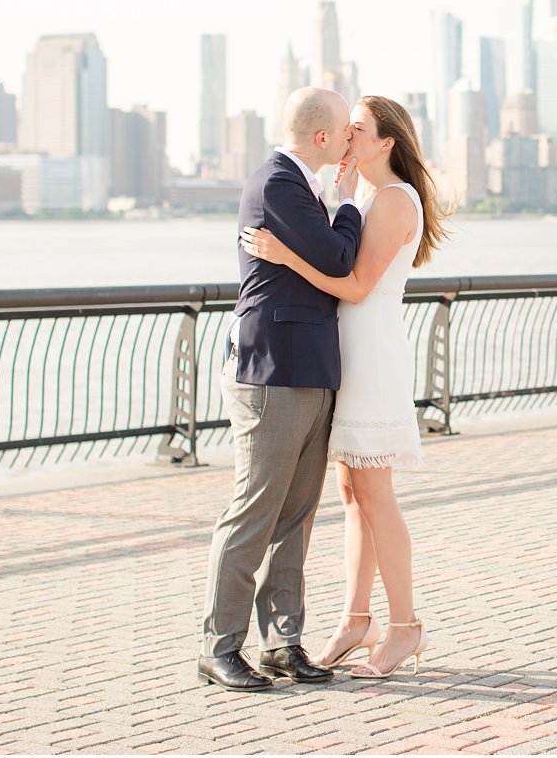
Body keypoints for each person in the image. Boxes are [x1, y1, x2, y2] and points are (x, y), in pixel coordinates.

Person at [243, 94, 449, 679]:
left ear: (386, 142)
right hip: (348, 353)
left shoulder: (391, 199)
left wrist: (284, 255)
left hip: (374, 354)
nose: (346, 135)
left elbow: (354, 286)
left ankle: (406, 625)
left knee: (376, 493)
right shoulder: (361, 196)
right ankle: (356, 620)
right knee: (351, 493)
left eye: (358, 129)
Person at [198, 86, 364, 692]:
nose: (351, 138)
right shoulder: (278, 184)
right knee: (255, 509)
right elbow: (337, 259)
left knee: (295, 514)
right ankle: (219, 646)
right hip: (272, 370)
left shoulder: (301, 185)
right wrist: (346, 204)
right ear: (321, 137)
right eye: (346, 129)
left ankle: (283, 643)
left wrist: (335, 204)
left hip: (310, 365)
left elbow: (325, 265)